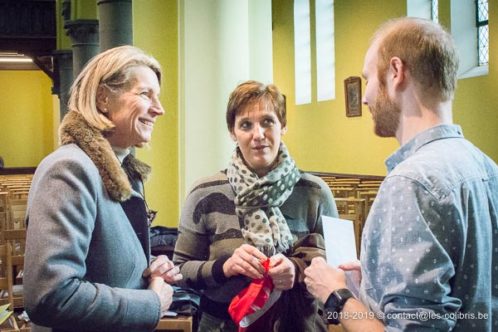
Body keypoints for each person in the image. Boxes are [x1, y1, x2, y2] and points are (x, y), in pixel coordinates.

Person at [304, 17, 498, 331]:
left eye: (367, 78)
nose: (365, 96)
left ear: (396, 73)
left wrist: (335, 295)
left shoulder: (411, 183)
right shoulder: (487, 168)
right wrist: (375, 285)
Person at [24, 45, 182, 332]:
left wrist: (148, 267)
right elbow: (51, 295)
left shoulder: (116, 171)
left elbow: (102, 262)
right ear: (103, 98)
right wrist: (151, 303)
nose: (159, 109)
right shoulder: (70, 169)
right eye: (146, 94)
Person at [173, 80, 338, 331]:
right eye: (246, 125)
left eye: (267, 122)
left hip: (299, 324)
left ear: (283, 126)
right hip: (223, 325)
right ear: (232, 132)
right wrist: (224, 267)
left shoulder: (315, 192)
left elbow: (339, 271)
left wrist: (296, 269)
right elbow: (180, 271)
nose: (258, 134)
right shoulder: (204, 193)